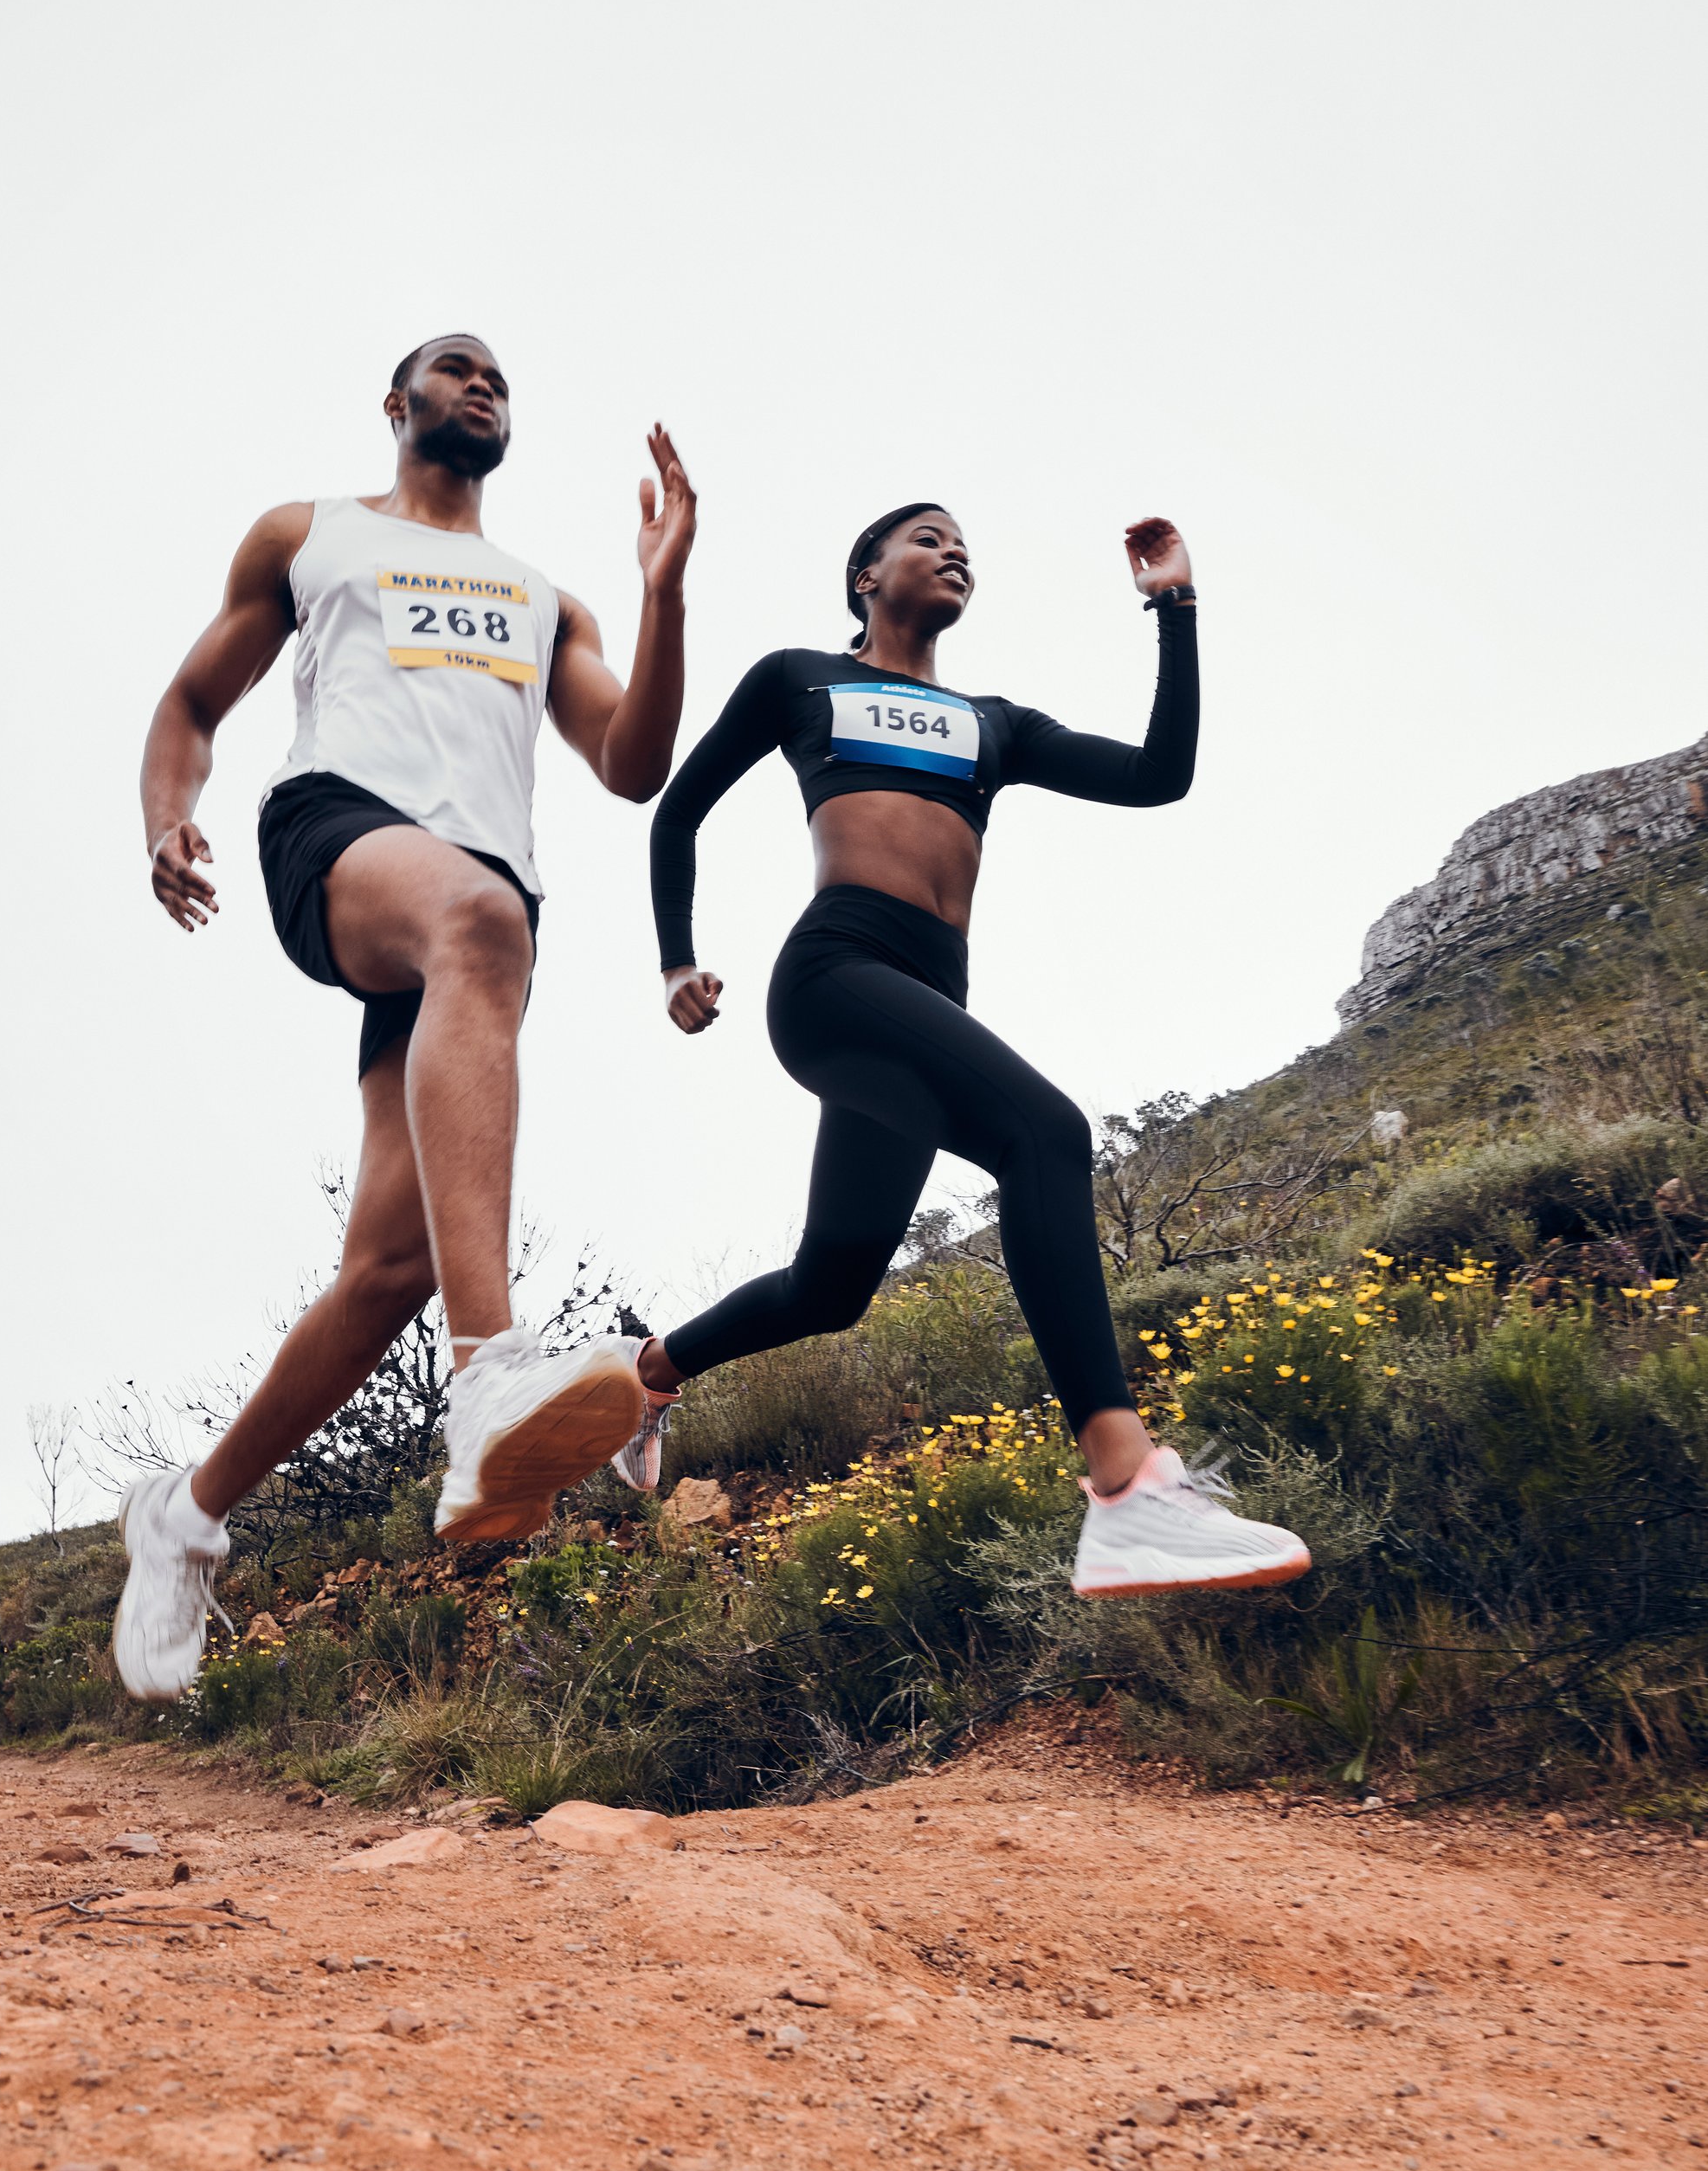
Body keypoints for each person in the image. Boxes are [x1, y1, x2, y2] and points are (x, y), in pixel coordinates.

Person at [113, 333, 699, 1697]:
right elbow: (192, 704)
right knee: (476, 922)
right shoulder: (310, 534)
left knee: (390, 1268)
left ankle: (186, 1514)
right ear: (399, 403)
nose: (482, 383)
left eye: (500, 375)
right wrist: (165, 818)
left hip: (469, 935)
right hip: (342, 838)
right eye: (454, 367)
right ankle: (492, 1373)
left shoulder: (549, 599)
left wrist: (660, 595)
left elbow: (634, 763)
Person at [619, 502, 1310, 1598]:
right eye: (926, 536)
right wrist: (675, 961)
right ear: (864, 572)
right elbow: (677, 813)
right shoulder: (799, 678)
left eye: (964, 546)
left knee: (832, 1284)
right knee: (1045, 1134)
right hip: (837, 975)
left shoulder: (993, 722)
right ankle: (1126, 1487)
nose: (953, 551)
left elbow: (1159, 774)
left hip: (921, 997)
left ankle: (646, 1375)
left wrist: (1172, 607)